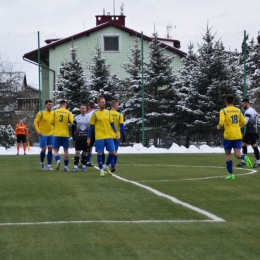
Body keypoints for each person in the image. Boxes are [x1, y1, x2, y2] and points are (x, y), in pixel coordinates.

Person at [217, 94, 252, 180]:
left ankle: (231, 174)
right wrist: (236, 126)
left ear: (226, 102)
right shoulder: (238, 110)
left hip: (228, 136)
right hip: (237, 135)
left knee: (228, 154)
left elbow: (221, 123)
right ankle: (244, 156)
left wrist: (219, 126)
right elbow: (244, 122)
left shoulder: (223, 111)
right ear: (233, 102)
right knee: (237, 154)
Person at [87, 97, 119, 177]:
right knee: (100, 153)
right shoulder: (95, 114)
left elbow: (112, 123)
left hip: (108, 136)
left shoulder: (108, 112)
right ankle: (101, 170)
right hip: (99, 137)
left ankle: (106, 165)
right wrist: (88, 137)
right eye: (102, 102)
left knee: (113, 152)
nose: (104, 103)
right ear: (98, 103)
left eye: (104, 102)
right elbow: (91, 127)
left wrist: (116, 132)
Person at [51, 100, 74, 171]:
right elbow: (72, 122)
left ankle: (58, 160)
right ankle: (66, 167)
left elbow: (51, 122)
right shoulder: (69, 112)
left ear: (59, 105)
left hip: (57, 134)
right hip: (65, 134)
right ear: (65, 105)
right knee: (66, 150)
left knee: (55, 150)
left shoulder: (55, 112)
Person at [236, 98, 260, 168]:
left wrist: (237, 127)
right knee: (243, 143)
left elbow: (244, 122)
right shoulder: (253, 110)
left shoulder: (248, 112)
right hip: (252, 130)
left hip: (251, 131)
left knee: (253, 145)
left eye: (243, 104)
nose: (242, 105)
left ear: (246, 103)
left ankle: (258, 161)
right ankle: (244, 160)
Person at [34, 100, 54, 170]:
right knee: (44, 149)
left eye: (51, 105)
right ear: (46, 105)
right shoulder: (41, 113)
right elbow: (35, 122)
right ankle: (42, 163)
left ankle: (49, 165)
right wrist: (38, 131)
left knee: (50, 149)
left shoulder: (53, 113)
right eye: (49, 104)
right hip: (42, 134)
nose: (50, 106)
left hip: (51, 134)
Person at [71, 104, 90, 172]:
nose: (83, 110)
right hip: (79, 138)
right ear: (80, 109)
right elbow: (73, 127)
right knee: (77, 152)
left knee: (85, 152)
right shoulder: (76, 117)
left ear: (86, 109)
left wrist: (90, 137)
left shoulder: (89, 117)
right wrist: (73, 135)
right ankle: (75, 166)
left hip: (86, 138)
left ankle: (84, 166)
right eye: (82, 108)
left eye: (84, 108)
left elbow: (92, 127)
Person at [110, 100, 125, 172]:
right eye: (118, 105)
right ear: (115, 106)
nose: (118, 106)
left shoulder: (107, 113)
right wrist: (124, 134)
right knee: (115, 151)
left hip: (108, 135)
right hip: (116, 135)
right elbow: (122, 126)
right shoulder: (119, 115)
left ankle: (112, 165)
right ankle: (113, 165)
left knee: (110, 151)